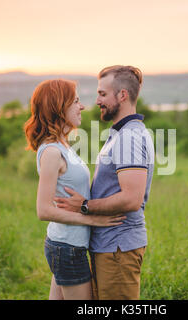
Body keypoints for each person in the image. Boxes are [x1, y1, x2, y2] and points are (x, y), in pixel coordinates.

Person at [55, 65, 155, 300]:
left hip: (118, 248)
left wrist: (85, 205)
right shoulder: (120, 134)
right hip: (110, 248)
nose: (97, 100)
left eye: (102, 94)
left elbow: (132, 198)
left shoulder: (129, 137)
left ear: (122, 95)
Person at [24, 79, 127, 300]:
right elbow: (43, 210)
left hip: (68, 246)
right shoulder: (52, 152)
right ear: (59, 106)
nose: (81, 107)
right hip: (67, 247)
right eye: (76, 101)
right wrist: (93, 219)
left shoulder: (62, 145)